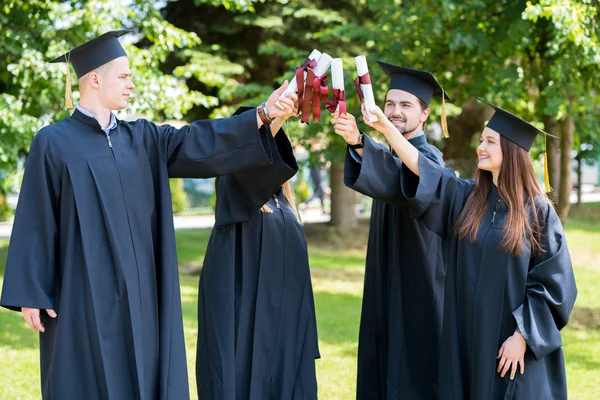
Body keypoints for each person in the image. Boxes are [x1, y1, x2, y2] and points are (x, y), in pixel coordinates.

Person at [0, 29, 297, 400]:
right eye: (123, 76)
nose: (131, 84)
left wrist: (264, 113)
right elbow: (36, 220)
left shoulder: (145, 139)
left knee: (147, 373)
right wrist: (32, 291)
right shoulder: (53, 142)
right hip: (82, 296)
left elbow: (201, 140)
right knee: (86, 377)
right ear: (94, 79)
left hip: (144, 295)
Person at [361, 97, 577, 399]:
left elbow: (554, 285)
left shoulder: (538, 212)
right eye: (481, 139)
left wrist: (522, 337)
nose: (481, 147)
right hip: (466, 341)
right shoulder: (469, 200)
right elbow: (426, 173)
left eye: (490, 141)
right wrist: (385, 128)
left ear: (512, 153)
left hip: (512, 348)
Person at [331, 62, 447, 399]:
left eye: (406, 105)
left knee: (414, 374)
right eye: (390, 103)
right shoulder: (389, 153)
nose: (395, 112)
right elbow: (387, 163)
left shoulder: (430, 158)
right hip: (386, 282)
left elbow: (402, 175)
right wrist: (357, 141)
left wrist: (361, 140)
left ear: (424, 114)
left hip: (418, 288)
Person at [196, 106, 319, 399]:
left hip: (286, 323)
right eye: (261, 144)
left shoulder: (285, 206)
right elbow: (242, 159)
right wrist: (279, 117)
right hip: (243, 320)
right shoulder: (233, 192)